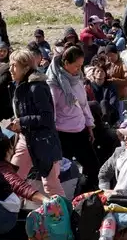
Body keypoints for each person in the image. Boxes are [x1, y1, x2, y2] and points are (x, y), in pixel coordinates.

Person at [6, 49, 64, 197]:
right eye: (10, 65)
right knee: (13, 179)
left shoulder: (37, 87)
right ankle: (12, 214)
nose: (10, 69)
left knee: (51, 185)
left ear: (25, 68)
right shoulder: (19, 86)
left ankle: (66, 217)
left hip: (43, 142)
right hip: (25, 139)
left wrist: (23, 122)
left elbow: (47, 118)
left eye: (14, 65)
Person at [48, 45, 97, 190]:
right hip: (63, 134)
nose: (79, 70)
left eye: (81, 66)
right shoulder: (54, 85)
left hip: (80, 130)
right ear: (66, 63)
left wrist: (90, 124)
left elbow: (83, 104)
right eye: (76, 66)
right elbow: (52, 112)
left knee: (93, 166)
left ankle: (86, 195)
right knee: (64, 172)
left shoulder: (77, 79)